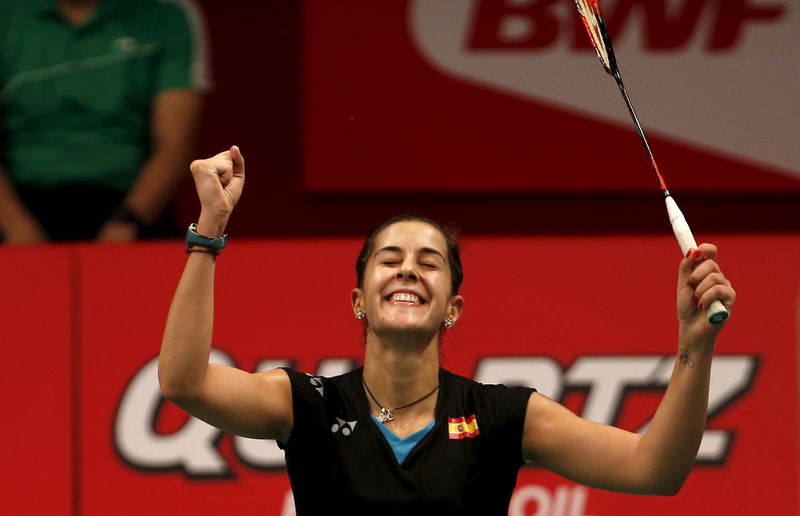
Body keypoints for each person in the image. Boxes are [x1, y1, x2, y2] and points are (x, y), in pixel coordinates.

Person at [159, 146, 736, 514]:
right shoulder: (308, 404)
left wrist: (693, 347)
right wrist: (209, 230)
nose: (408, 267)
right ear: (359, 300)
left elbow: (654, 470)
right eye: (389, 258)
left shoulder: (503, 415)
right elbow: (185, 382)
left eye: (428, 261)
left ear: (452, 308)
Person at [0, 0, 209, 243]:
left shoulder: (167, 13)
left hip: (128, 200)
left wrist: (130, 219)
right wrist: (14, 224)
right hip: (18, 199)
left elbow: (174, 146)